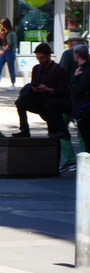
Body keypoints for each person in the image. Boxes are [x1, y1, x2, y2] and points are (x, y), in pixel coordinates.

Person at [12, 43, 69, 138]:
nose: (40, 60)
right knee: (20, 103)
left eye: (42, 58)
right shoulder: (36, 68)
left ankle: (55, 147)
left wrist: (48, 90)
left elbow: (64, 91)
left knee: (54, 133)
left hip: (52, 104)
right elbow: (34, 83)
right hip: (39, 101)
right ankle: (24, 130)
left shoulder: (59, 70)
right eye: (38, 58)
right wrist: (35, 89)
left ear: (48, 56)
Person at [53, 32, 88, 172]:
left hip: (70, 97)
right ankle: (85, 159)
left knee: (61, 127)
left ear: (71, 43)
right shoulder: (87, 55)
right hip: (84, 101)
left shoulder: (68, 54)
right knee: (82, 131)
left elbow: (60, 73)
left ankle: (70, 159)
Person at [0, 17, 17, 91]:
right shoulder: (3, 33)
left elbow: (10, 44)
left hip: (9, 51)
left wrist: (3, 51)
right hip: (3, 50)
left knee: (11, 68)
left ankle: (13, 84)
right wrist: (0, 30)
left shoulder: (11, 33)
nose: (0, 25)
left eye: (1, 24)